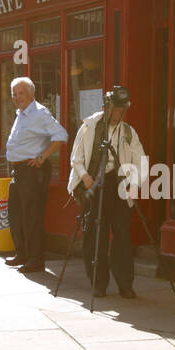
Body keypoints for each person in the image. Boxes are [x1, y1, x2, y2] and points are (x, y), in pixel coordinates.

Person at [68, 85, 145, 298]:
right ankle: (98, 283)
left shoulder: (129, 132)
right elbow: (76, 158)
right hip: (95, 184)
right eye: (114, 109)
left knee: (121, 234)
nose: (117, 114)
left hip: (119, 185)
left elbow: (141, 160)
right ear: (106, 106)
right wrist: (84, 176)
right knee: (95, 235)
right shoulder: (89, 127)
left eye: (121, 111)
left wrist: (134, 184)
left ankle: (125, 284)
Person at [4, 76, 67, 274]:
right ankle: (22, 253)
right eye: (14, 94)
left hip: (32, 171)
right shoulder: (21, 114)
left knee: (32, 216)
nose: (16, 97)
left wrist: (42, 157)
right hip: (18, 170)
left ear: (31, 94)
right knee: (15, 213)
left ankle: (35, 260)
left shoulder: (39, 113)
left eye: (20, 93)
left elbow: (61, 135)